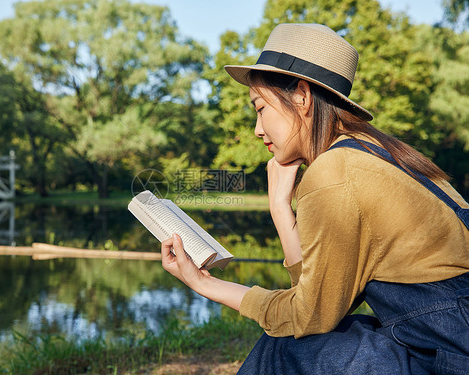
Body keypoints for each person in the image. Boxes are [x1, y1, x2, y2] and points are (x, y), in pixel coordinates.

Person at [160, 23, 469, 374]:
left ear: (302, 97)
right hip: (445, 340)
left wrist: (203, 282)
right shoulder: (373, 152)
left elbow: (307, 317)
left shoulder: (335, 173)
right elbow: (316, 303)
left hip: (450, 354)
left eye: (260, 108)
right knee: (299, 341)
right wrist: (280, 208)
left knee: (285, 350)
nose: (257, 129)